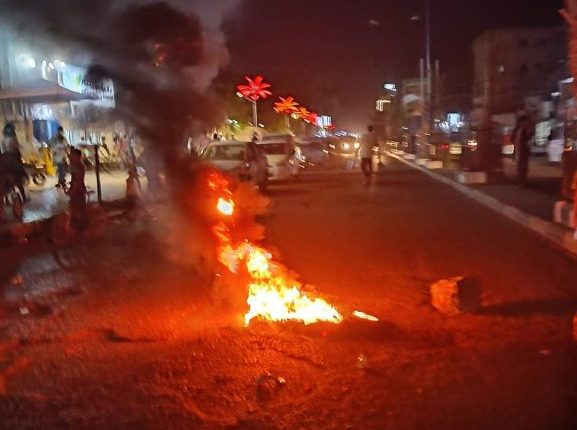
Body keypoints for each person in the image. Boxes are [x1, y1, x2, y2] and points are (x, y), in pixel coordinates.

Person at [0, 123, 27, 201]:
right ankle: (24, 197)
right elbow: (16, 146)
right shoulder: (13, 138)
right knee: (20, 175)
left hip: (4, 158)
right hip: (13, 158)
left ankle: (6, 200)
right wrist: (21, 147)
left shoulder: (3, 139)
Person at [67, 148, 87, 233]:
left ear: (78, 157)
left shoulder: (78, 167)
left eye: (72, 156)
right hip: (78, 189)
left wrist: (72, 191)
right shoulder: (77, 165)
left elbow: (77, 181)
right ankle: (79, 228)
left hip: (78, 190)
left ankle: (80, 228)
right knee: (76, 209)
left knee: (77, 209)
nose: (70, 157)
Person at [513, 115, 534, 186]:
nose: (524, 123)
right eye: (523, 121)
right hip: (518, 149)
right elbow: (513, 139)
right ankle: (520, 180)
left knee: (523, 166)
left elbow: (530, 137)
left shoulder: (526, 130)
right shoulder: (516, 129)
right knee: (519, 166)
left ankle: (522, 181)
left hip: (524, 150)